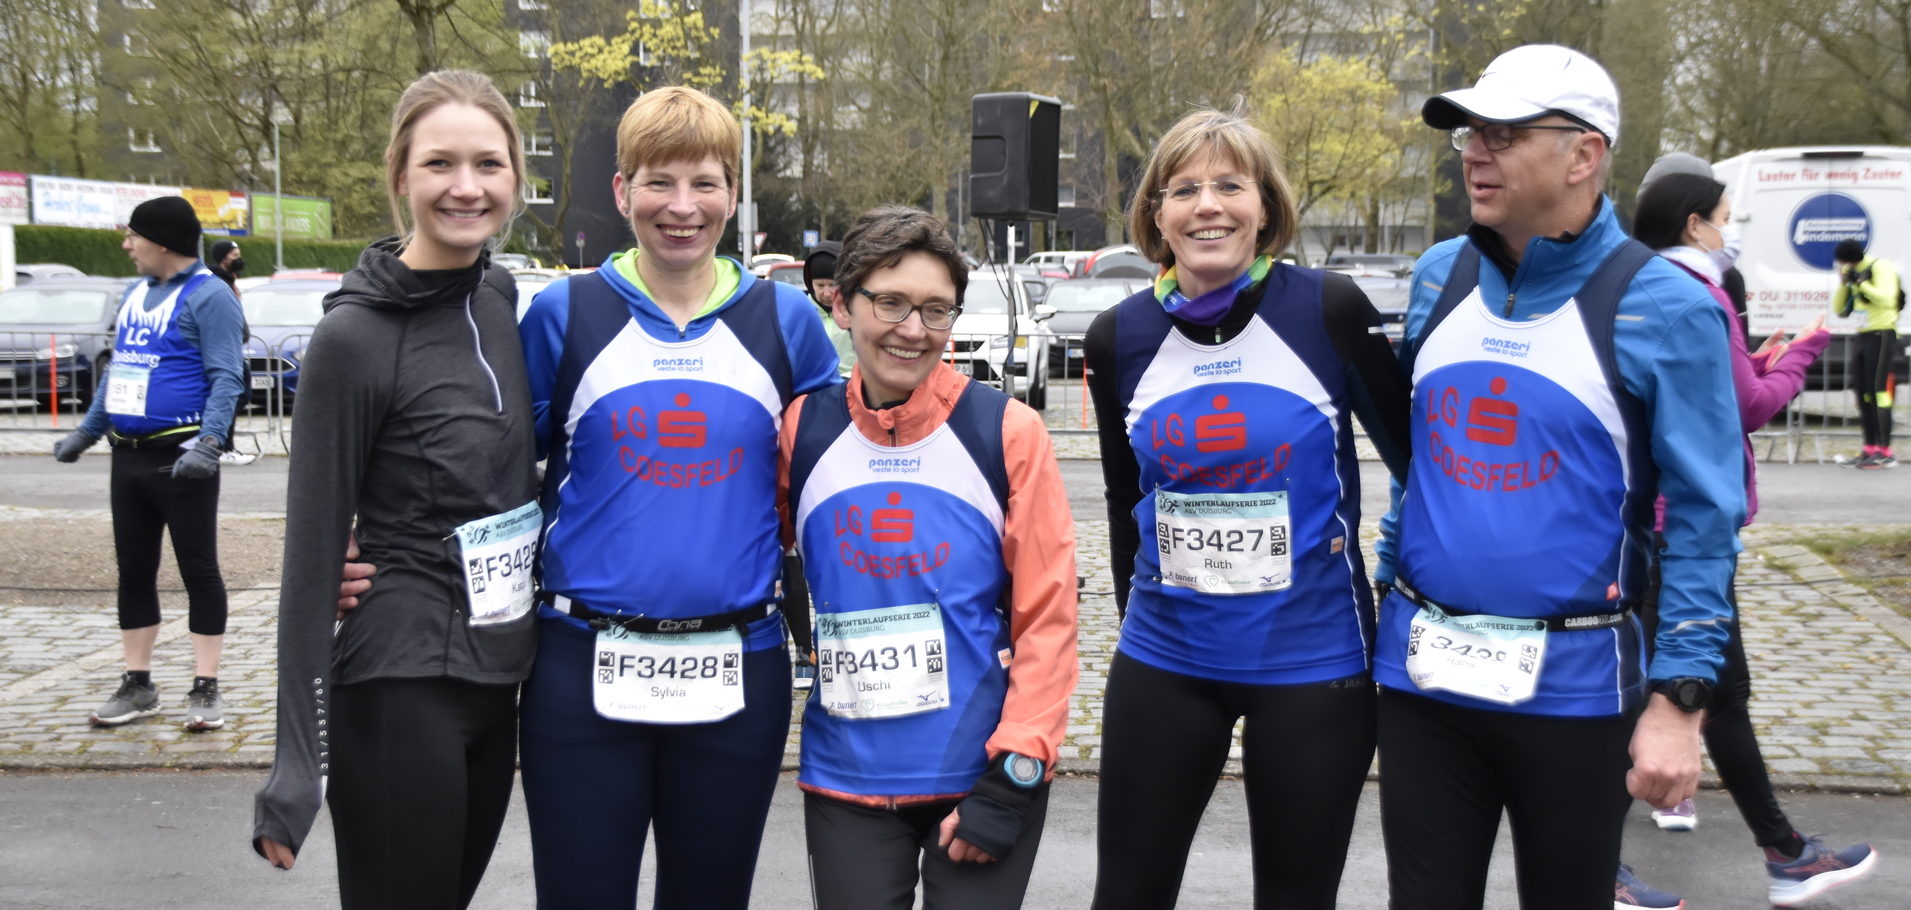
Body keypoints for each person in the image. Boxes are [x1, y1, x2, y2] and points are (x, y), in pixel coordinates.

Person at [1370, 45, 1748, 910]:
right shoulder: (1438, 275)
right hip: (1425, 682)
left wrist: (1680, 701)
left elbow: (1704, 521)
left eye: (1502, 134)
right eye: (1469, 133)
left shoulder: (1668, 307)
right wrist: (1385, 590)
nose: (1474, 152)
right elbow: (1417, 468)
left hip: (1575, 694)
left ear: (1582, 154)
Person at [512, 86, 839, 908]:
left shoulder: (787, 322)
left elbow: (835, 478)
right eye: (658, 181)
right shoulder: (562, 313)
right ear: (622, 191)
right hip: (581, 664)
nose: (682, 206)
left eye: (704, 183)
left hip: (738, 667)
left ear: (733, 193)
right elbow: (492, 467)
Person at [1083, 104, 1412, 909]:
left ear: (1265, 207)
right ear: (1156, 214)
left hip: (1312, 664)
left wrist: (1399, 587)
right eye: (1183, 189)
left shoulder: (1328, 309)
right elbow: (1126, 499)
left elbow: (1422, 467)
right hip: (1166, 660)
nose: (1208, 206)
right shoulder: (1116, 336)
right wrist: (1137, 617)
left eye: (1230, 185)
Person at [249, 70, 538, 910]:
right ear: (400, 175)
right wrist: (294, 768)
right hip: (398, 684)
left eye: (487, 164)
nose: (465, 186)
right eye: (439, 163)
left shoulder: (496, 294)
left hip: (496, 680)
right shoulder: (353, 339)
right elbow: (312, 556)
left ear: (515, 178)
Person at [781, 205, 1079, 909]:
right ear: (842, 304)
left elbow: (1048, 614)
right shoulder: (803, 429)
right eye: (889, 302)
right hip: (846, 778)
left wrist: (1016, 768)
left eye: (935, 310)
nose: (913, 329)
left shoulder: (1006, 431)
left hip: (979, 773)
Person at [1611, 169, 1875, 909]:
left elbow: (1706, 391)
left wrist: (1753, 362)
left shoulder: (1641, 287)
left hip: (1661, 527)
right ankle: (1607, 862)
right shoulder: (1696, 294)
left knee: (1714, 693)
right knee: (1668, 695)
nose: (1728, 233)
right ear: (1694, 223)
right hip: (1681, 533)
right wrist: (1803, 352)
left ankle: (1781, 850)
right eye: (1724, 219)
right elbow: (1750, 408)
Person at [53, 195, 246, 734]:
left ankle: (206, 686)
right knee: (134, 570)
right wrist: (87, 431)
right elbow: (120, 371)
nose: (126, 245)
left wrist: (210, 444)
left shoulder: (210, 295)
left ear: (161, 242)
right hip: (129, 458)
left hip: (182, 458)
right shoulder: (135, 293)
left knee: (198, 570)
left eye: (133, 235)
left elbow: (227, 376)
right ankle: (138, 684)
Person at [1832, 238, 1901, 468]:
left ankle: (1885, 451)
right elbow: (1839, 309)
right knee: (1863, 392)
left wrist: (1860, 283)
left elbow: (1887, 298)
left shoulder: (1879, 266)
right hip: (1862, 334)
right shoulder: (1852, 272)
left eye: (1843, 262)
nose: (1842, 266)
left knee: (1878, 391)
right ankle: (1869, 447)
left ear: (1852, 258)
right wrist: (1844, 283)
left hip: (1882, 333)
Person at [805, 239, 857, 378]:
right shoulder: (802, 312)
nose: (827, 293)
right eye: (820, 285)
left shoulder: (858, 311)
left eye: (832, 284)